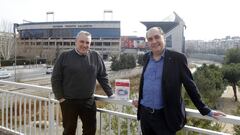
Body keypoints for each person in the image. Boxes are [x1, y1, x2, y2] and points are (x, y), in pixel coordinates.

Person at [132, 27, 225, 135]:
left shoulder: (178, 59)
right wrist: (142, 101)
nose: (154, 41)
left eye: (157, 37)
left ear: (164, 38)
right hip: (145, 116)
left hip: (165, 118)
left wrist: (206, 110)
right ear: (147, 42)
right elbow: (146, 83)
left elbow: (190, 85)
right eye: (150, 39)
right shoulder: (146, 57)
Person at [51, 31, 114, 135]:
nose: (84, 45)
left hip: (88, 101)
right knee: (69, 131)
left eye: (87, 43)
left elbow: (102, 76)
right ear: (76, 42)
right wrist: (60, 98)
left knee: (90, 131)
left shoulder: (95, 56)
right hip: (68, 102)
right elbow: (55, 78)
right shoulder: (64, 56)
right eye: (82, 42)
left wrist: (110, 93)